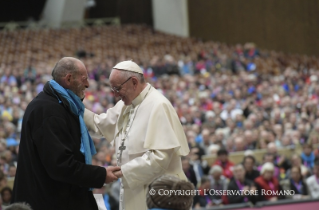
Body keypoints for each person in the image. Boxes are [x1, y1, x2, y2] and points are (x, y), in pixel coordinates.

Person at [12, 57, 120, 210]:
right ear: (69, 78)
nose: (88, 84)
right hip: (48, 200)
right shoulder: (49, 111)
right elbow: (60, 165)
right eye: (84, 79)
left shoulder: (58, 104)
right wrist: (100, 175)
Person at [84, 60, 190, 210]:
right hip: (135, 190)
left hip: (161, 195)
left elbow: (160, 158)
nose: (115, 94)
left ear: (133, 82)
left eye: (117, 88)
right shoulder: (126, 104)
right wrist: (76, 108)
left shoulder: (158, 105)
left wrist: (123, 171)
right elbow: (99, 125)